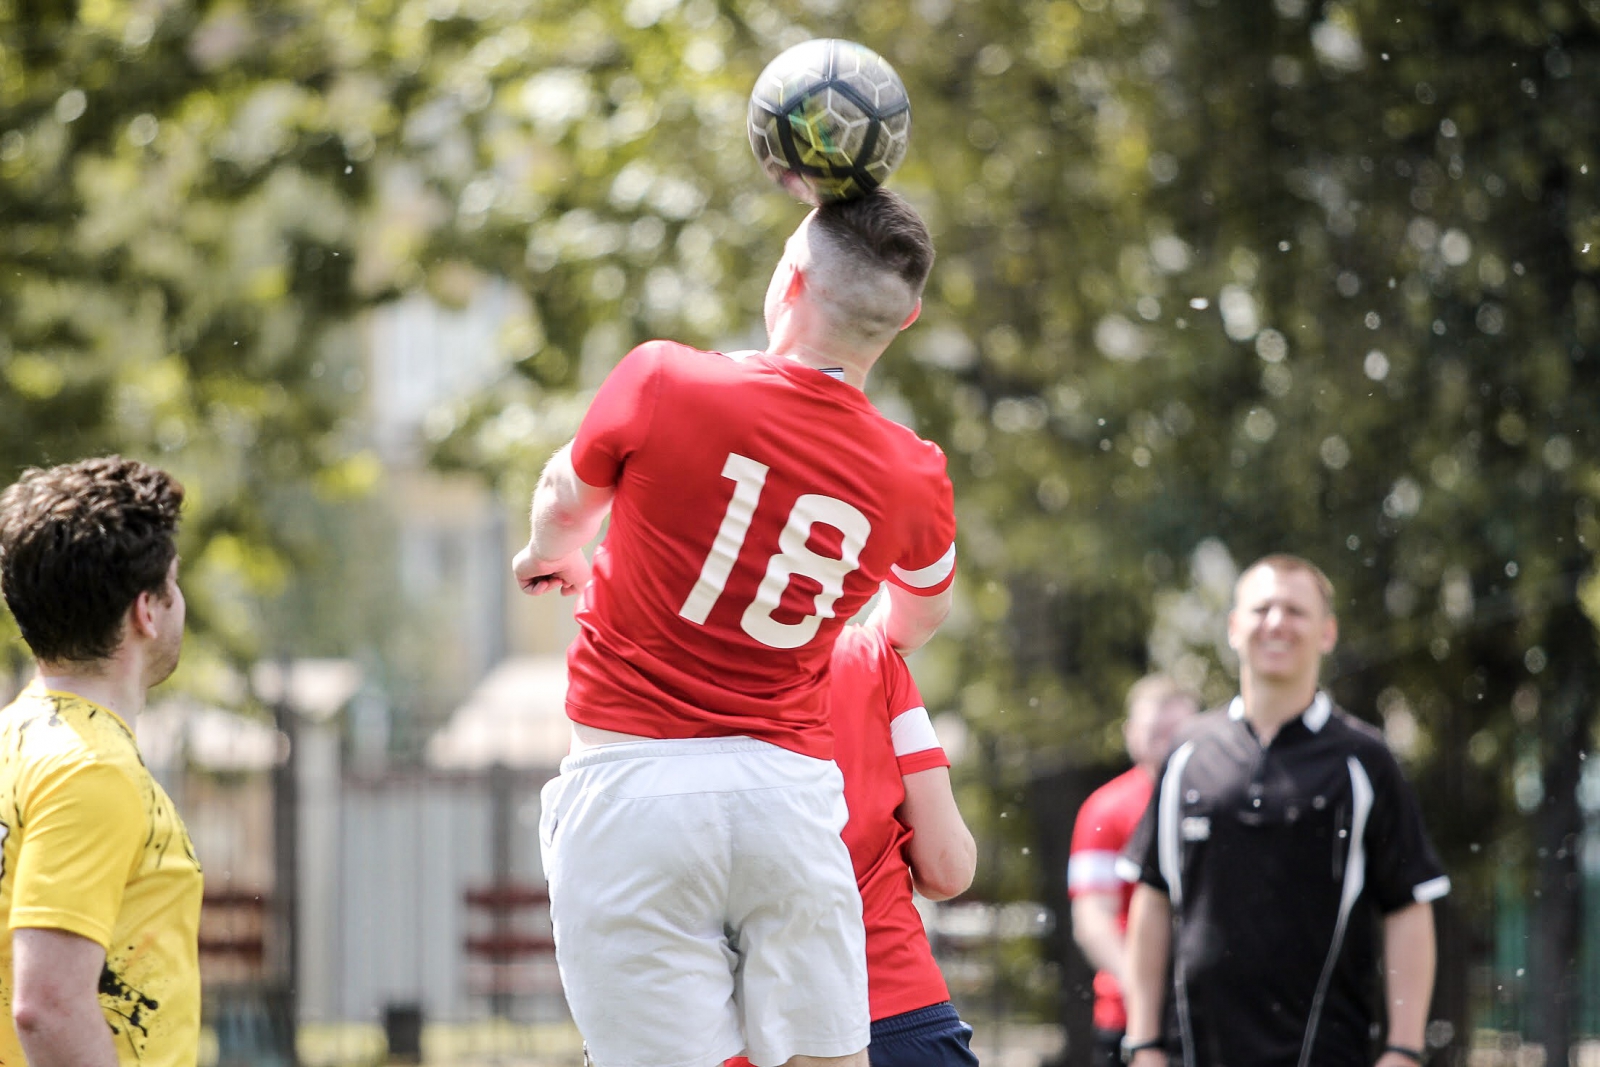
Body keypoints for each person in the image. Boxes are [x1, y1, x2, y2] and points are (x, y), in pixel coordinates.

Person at [513, 190, 956, 1067]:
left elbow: (567, 500)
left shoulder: (665, 378)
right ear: (903, 322)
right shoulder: (915, 473)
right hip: (787, 798)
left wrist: (549, 555)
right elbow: (917, 615)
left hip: (632, 783)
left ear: (787, 280)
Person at [1119, 554, 1451, 1067]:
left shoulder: (1366, 760)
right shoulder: (1186, 754)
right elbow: (1153, 896)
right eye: (1262, 608)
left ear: (1327, 633)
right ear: (1233, 627)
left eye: (1296, 611)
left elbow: (1408, 905)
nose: (1276, 622)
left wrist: (1403, 1050)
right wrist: (1143, 1044)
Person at [0, 456, 203, 1067]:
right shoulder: (91, 769)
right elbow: (48, 1006)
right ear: (147, 608)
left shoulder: (12, 740)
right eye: (174, 581)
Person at [728, 623, 978, 1067]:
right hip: (892, 1000)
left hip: (750, 1028)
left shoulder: (666, 669)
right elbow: (947, 868)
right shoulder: (867, 653)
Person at [1067, 675, 1198, 1067]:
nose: (1166, 740)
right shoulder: (1105, 809)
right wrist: (1145, 989)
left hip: (1211, 1014)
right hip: (1126, 1017)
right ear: (1130, 733)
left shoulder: (1220, 801)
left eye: (1176, 730)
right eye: (1155, 730)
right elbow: (1092, 920)